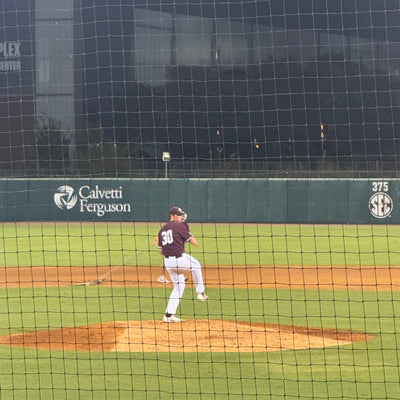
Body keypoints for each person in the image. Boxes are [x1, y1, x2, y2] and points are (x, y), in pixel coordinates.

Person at [158, 206, 208, 323]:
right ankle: (200, 293)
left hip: (168, 262)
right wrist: (186, 234)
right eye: (179, 215)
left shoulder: (162, 229)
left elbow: (160, 250)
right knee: (196, 265)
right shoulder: (179, 226)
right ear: (173, 216)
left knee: (179, 287)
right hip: (179, 259)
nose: (181, 217)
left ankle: (169, 315)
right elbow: (195, 242)